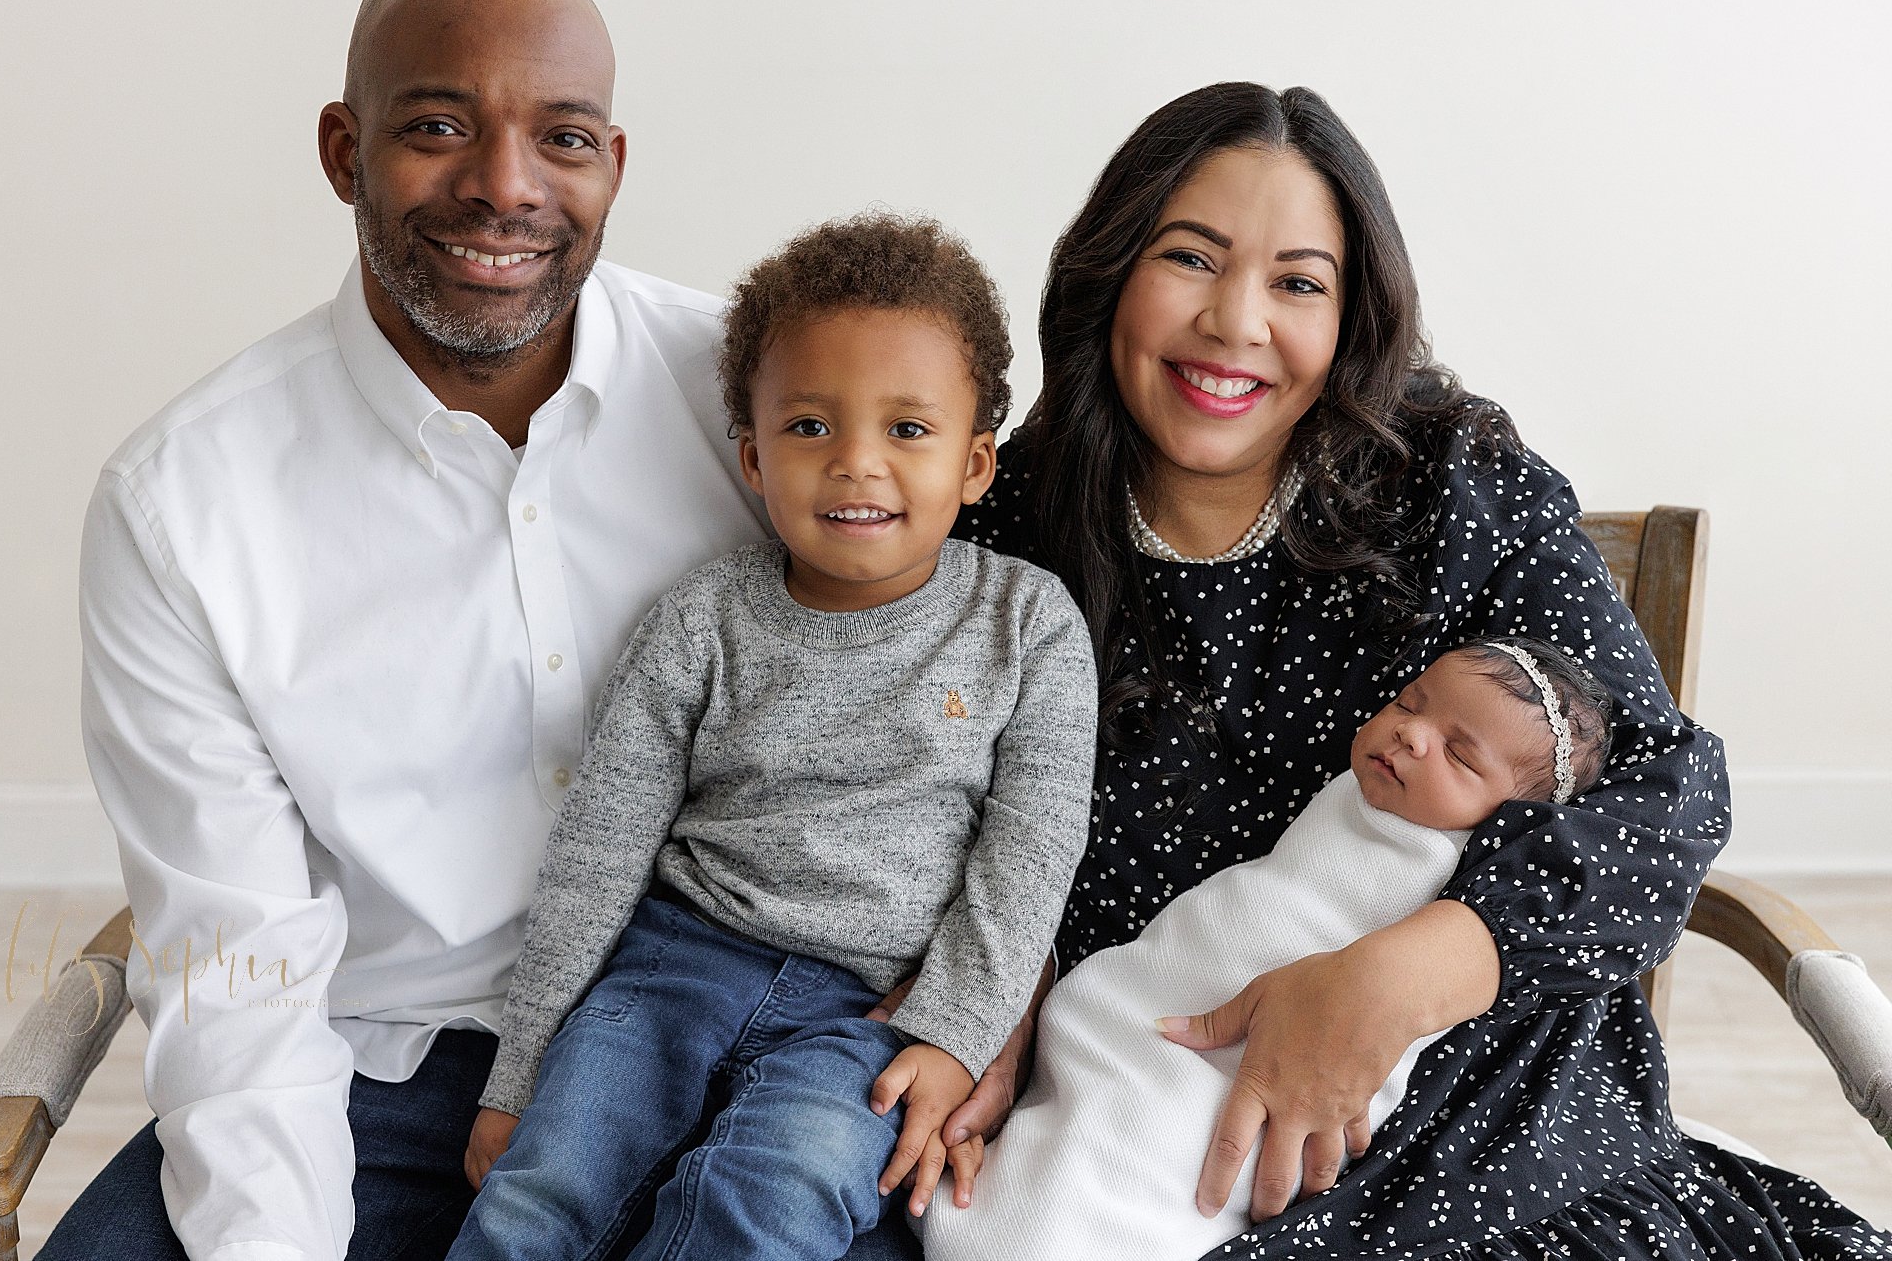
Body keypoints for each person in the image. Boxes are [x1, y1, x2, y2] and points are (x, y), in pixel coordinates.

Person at [852, 81, 1892, 1261]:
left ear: (1351, 318)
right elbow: (913, 799)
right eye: (1190, 258)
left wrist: (1396, 978)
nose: (1235, 322)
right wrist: (992, 987)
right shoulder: (998, 525)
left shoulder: (1452, 481)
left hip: (1495, 1150)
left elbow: (1663, 786)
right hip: (1136, 1157)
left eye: (1297, 282)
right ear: (1107, 274)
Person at [46, 0, 772, 1261]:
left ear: (614, 162)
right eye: (439, 126)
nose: (506, 187)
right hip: (382, 1077)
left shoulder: (764, 402)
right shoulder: (184, 504)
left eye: (561, 138)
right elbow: (239, 973)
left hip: (738, 1044)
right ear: (342, 150)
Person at [443, 214, 1098, 1261]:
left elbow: (1026, 859)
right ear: (750, 457)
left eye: (907, 430)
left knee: (771, 1195)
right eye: (808, 428)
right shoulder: (699, 620)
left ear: (976, 462)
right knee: (538, 1196)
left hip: (872, 1010)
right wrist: (521, 1069)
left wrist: (951, 1031)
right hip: (673, 967)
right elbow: (599, 849)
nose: (855, 465)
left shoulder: (1027, 626)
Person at [921, 636, 1615, 1259]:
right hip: (1152, 1000)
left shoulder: (1465, 865)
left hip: (1285, 1048)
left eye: (1460, 755)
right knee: (1095, 1088)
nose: (1411, 736)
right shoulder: (1356, 790)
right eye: (1409, 703)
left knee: (1172, 1148)